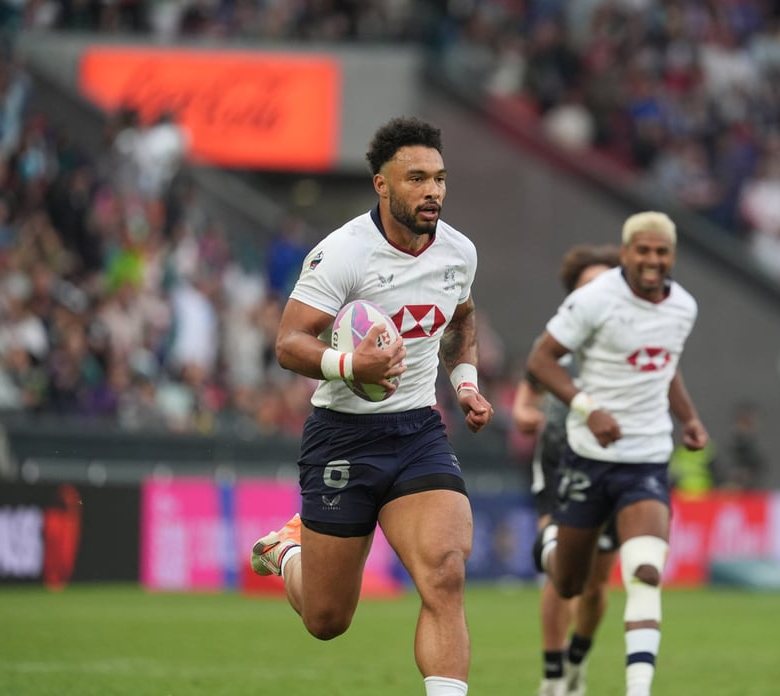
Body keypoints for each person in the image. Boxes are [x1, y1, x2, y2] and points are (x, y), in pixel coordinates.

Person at [249, 116, 495, 696]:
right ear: (382, 186)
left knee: (446, 572)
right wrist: (349, 366)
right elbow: (288, 343)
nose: (432, 190)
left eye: (438, 178)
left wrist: (464, 383)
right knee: (327, 620)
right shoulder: (341, 254)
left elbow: (461, 320)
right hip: (342, 437)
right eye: (416, 178)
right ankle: (288, 549)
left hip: (417, 433)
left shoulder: (459, 252)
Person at [527, 211, 708, 696]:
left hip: (646, 459)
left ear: (671, 256)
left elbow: (665, 366)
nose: (652, 260)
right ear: (626, 253)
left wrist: (688, 418)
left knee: (645, 571)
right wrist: (589, 409)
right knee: (569, 584)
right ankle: (549, 549)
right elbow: (540, 361)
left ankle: (638, 689)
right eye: (643, 251)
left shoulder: (684, 307)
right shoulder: (594, 300)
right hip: (587, 458)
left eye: (661, 252)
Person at [511, 244, 621, 696]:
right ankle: (553, 674)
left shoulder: (632, 342)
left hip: (614, 468)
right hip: (558, 462)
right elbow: (527, 395)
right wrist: (524, 414)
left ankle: (577, 659)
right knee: (559, 570)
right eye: (586, 286)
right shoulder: (556, 341)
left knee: (593, 587)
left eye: (604, 285)